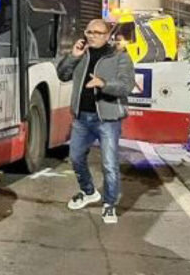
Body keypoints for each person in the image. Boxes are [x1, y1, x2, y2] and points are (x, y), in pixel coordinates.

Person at [56, 19, 136, 224]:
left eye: (98, 33)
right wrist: (73, 56)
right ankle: (88, 191)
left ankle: (109, 204)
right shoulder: (82, 54)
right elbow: (62, 74)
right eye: (89, 32)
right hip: (82, 117)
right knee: (75, 158)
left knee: (109, 164)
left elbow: (126, 86)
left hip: (107, 119)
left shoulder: (120, 57)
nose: (93, 36)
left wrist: (104, 84)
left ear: (107, 36)